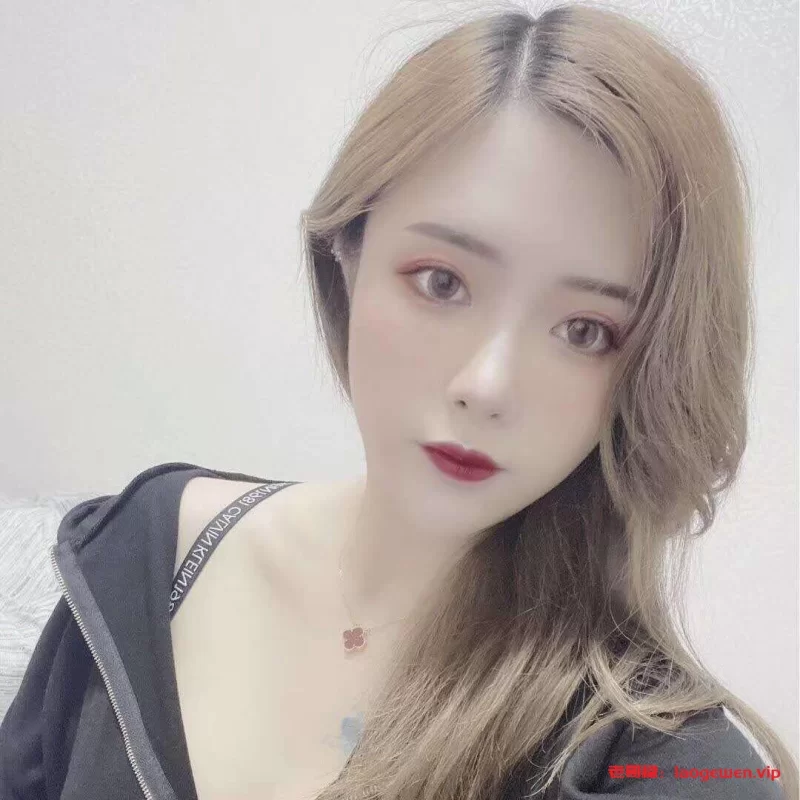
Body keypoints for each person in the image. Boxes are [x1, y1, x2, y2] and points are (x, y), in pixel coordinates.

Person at [0, 3, 796, 799]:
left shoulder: (657, 757)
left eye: (585, 331)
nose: (486, 386)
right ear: (347, 252)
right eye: (441, 282)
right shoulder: (138, 554)